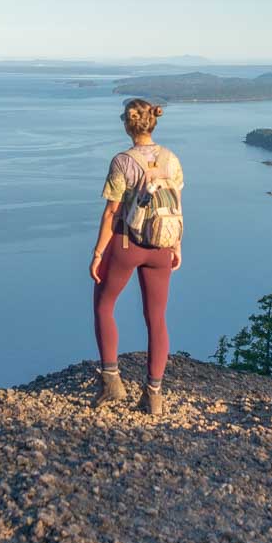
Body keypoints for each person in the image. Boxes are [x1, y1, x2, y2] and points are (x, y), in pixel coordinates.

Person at [90, 98, 184, 415]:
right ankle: (153, 396)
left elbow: (111, 213)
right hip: (162, 246)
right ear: (152, 123)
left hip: (127, 244)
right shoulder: (171, 159)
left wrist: (98, 252)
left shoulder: (122, 162)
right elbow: (176, 204)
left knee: (104, 305)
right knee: (156, 319)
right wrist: (177, 246)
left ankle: (112, 382)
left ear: (128, 125)